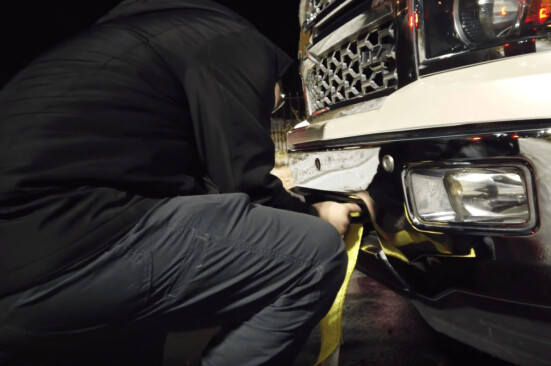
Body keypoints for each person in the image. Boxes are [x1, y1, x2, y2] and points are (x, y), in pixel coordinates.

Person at [0, 0, 370, 364]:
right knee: (312, 255)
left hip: (27, 261)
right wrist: (316, 215)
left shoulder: (131, 42)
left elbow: (199, 194)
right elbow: (245, 179)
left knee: (144, 325)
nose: (267, 110)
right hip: (57, 249)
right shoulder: (228, 39)